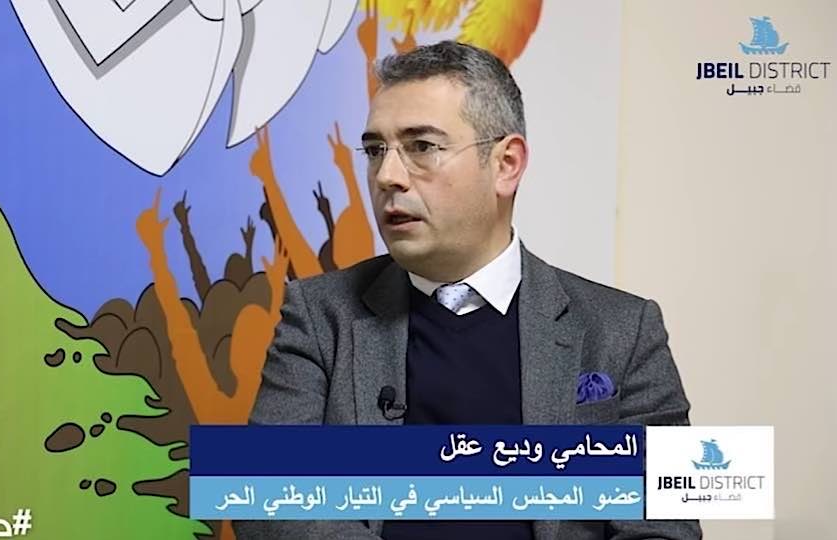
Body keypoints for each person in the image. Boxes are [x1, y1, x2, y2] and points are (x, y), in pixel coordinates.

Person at [233, 40, 700, 540]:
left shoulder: (622, 331)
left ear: (506, 164)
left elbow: (664, 527)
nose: (387, 176)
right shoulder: (318, 316)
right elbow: (267, 502)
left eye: (421, 147)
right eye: (375, 151)